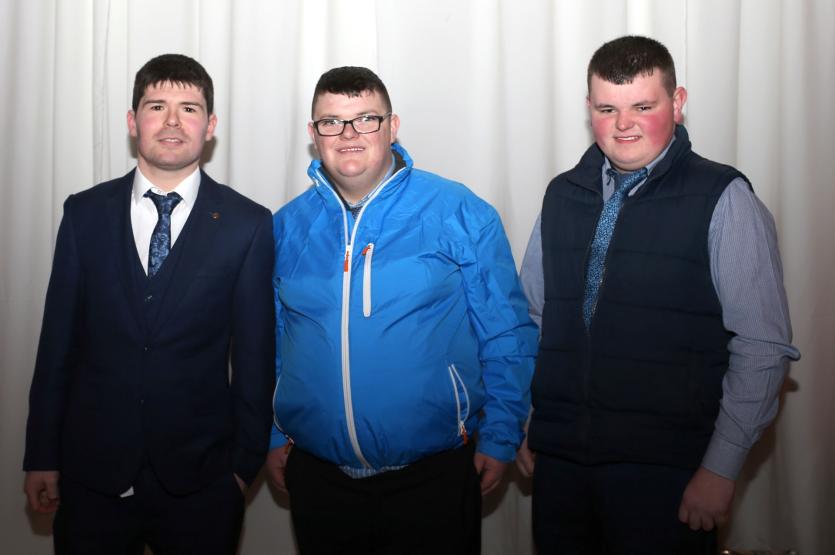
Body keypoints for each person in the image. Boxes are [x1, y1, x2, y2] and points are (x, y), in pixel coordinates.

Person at [517, 36, 800, 554]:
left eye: (643, 107)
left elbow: (762, 347)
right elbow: (534, 319)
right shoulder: (561, 195)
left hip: (670, 475)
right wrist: (529, 421)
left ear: (677, 102)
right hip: (560, 467)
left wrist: (721, 468)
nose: (624, 125)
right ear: (589, 108)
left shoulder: (724, 198)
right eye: (608, 109)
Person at [264, 66, 537, 554]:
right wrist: (271, 435)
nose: (348, 134)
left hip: (434, 479)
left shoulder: (459, 212)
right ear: (313, 134)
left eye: (366, 119)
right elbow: (274, 344)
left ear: (392, 126)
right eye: (332, 122)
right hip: (319, 481)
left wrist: (501, 434)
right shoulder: (286, 229)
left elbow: (506, 333)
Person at [23, 53, 275, 554]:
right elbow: (56, 346)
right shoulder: (84, 213)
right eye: (157, 106)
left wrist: (242, 468)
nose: (172, 121)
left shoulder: (247, 224)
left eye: (189, 108)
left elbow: (255, 360)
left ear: (211, 125)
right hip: (91, 477)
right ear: (132, 121)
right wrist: (41, 454)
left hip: (202, 484)